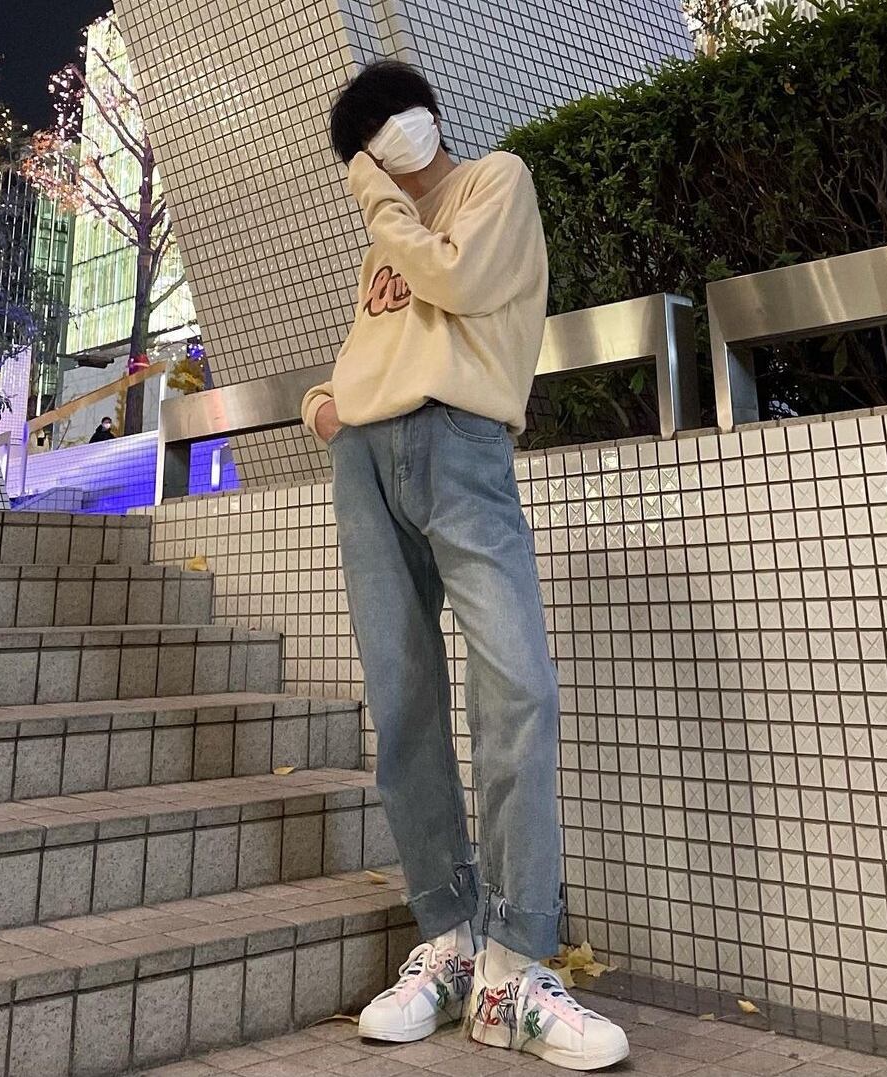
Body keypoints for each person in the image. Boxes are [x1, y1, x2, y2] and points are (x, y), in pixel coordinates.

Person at [301, 60, 629, 1071]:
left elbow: (459, 283)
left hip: (462, 447)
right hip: (367, 460)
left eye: (392, 118)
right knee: (401, 696)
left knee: (517, 688)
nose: (392, 137)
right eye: (369, 136)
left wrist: (377, 199)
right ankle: (448, 941)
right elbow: (382, 342)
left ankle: (516, 965)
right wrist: (328, 406)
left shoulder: (495, 182)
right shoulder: (385, 239)